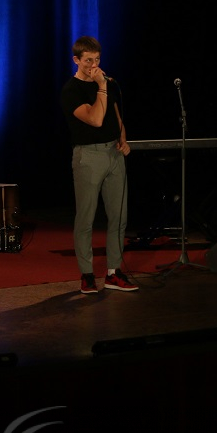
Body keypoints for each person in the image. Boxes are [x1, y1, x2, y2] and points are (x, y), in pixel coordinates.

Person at [60, 35, 139, 293]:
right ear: (76, 60)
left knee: (119, 216)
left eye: (97, 60)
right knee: (86, 217)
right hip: (89, 156)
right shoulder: (71, 90)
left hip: (113, 154)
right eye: (88, 61)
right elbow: (95, 119)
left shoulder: (106, 85)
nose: (94, 65)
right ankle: (87, 275)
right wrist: (101, 86)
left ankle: (114, 273)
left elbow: (115, 116)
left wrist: (123, 140)